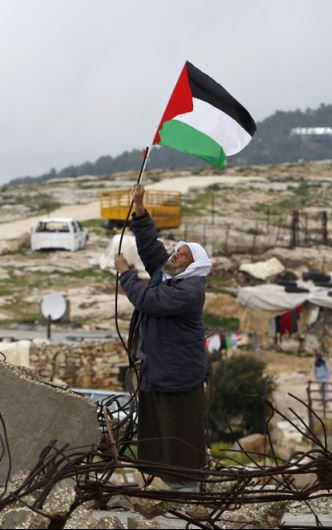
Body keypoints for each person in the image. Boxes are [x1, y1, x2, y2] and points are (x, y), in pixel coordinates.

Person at [114, 184, 211, 491]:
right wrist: (139, 207)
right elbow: (150, 245)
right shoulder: (167, 276)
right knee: (156, 426)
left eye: (183, 254)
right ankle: (156, 483)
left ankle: (185, 486)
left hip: (179, 372)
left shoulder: (189, 290)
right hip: (158, 369)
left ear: (194, 264)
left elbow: (148, 301)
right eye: (177, 250)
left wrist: (127, 275)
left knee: (180, 427)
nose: (176, 255)